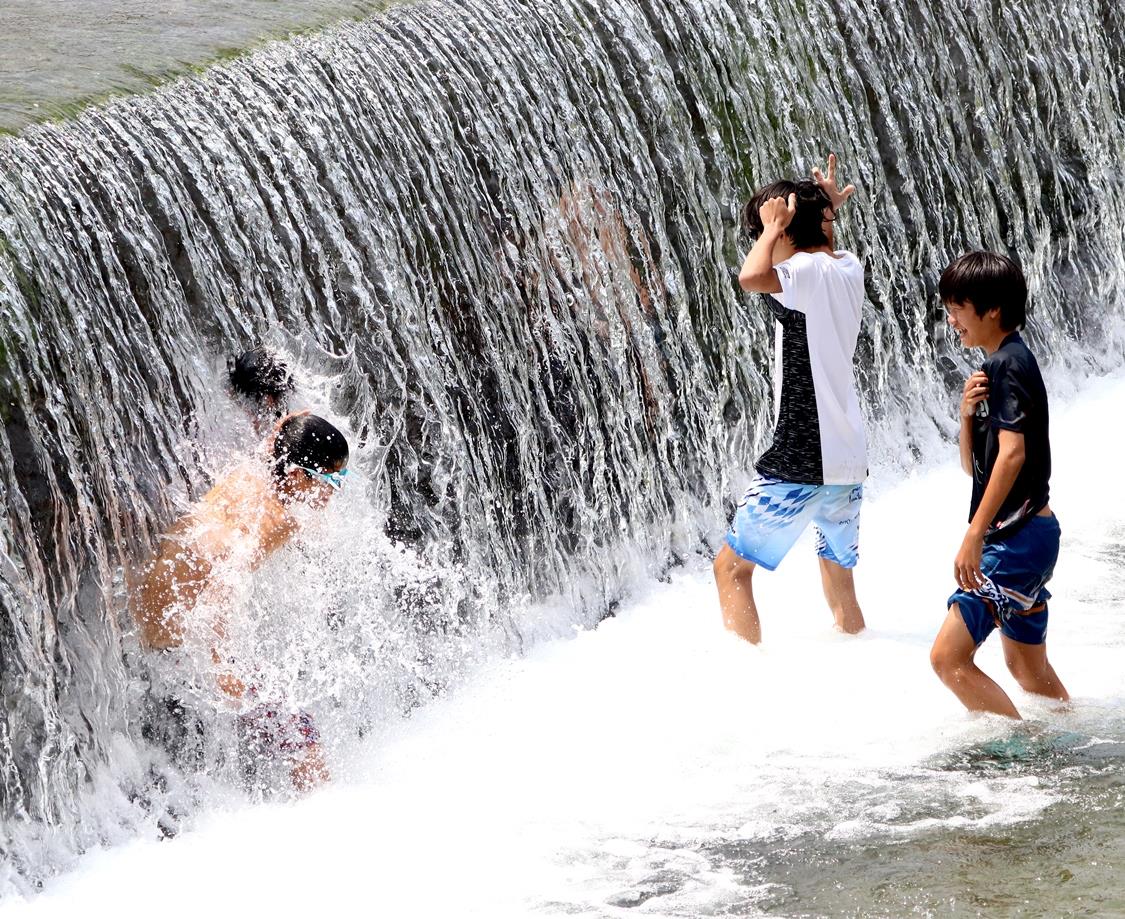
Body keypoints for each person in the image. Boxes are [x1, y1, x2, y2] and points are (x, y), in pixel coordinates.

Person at [132, 413, 349, 790]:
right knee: (302, 736)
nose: (334, 492)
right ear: (299, 476)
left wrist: (287, 423)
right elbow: (224, 582)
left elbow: (275, 441)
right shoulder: (277, 520)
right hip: (184, 646)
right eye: (332, 480)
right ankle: (321, 809)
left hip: (149, 625)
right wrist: (221, 665)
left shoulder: (250, 474)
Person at [713, 155, 867, 644]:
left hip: (801, 458)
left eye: (769, 230)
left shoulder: (802, 272)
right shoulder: (846, 267)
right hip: (847, 460)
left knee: (730, 569)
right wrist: (826, 210)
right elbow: (822, 249)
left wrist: (774, 228)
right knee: (839, 579)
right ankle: (861, 654)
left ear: (783, 233)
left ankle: (747, 681)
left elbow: (751, 277)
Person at [929, 252, 1068, 718]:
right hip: (1032, 537)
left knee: (948, 659)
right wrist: (967, 416)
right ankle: (1073, 743)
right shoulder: (999, 366)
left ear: (991, 310)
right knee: (1028, 671)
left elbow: (1014, 455)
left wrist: (974, 535)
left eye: (957, 308)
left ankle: (1024, 762)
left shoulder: (1009, 364)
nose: (952, 320)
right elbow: (976, 468)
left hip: (1015, 539)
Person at [228, 346, 294, 434]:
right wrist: (250, 415)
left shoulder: (282, 384)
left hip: (264, 370)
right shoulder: (240, 383)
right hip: (249, 373)